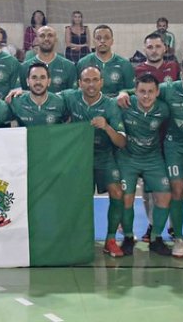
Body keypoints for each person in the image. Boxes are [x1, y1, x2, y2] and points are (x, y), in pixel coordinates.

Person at [117, 55, 183, 253]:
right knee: (176, 190)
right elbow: (140, 90)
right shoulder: (168, 89)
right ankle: (178, 239)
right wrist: (123, 92)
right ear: (180, 74)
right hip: (176, 147)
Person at [60, 66, 126, 256]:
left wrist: (106, 127)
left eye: (95, 80)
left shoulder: (111, 105)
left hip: (104, 156)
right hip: (79, 156)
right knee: (80, 197)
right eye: (86, 81)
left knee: (117, 192)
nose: (91, 84)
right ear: (79, 83)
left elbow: (121, 142)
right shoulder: (70, 97)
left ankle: (111, 240)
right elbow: (43, 94)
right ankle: (80, 238)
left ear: (102, 82)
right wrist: (19, 91)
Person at [117, 74, 173, 256]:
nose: (146, 96)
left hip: (153, 159)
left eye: (150, 92)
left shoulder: (164, 109)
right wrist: (121, 92)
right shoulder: (125, 105)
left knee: (164, 196)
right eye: (142, 91)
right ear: (136, 92)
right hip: (128, 159)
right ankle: (127, 237)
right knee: (127, 198)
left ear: (157, 92)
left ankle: (156, 238)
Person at [77, 25, 136, 97]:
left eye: (106, 38)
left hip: (116, 106)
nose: (102, 41)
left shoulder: (125, 64)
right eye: (98, 38)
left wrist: (124, 92)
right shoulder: (83, 63)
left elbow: (133, 89)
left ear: (112, 41)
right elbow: (76, 90)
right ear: (93, 42)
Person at [19, 26, 77, 94]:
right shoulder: (24, 67)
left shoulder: (69, 67)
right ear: (37, 40)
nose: (46, 39)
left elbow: (73, 95)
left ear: (56, 39)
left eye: (50, 35)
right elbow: (22, 95)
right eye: (42, 36)